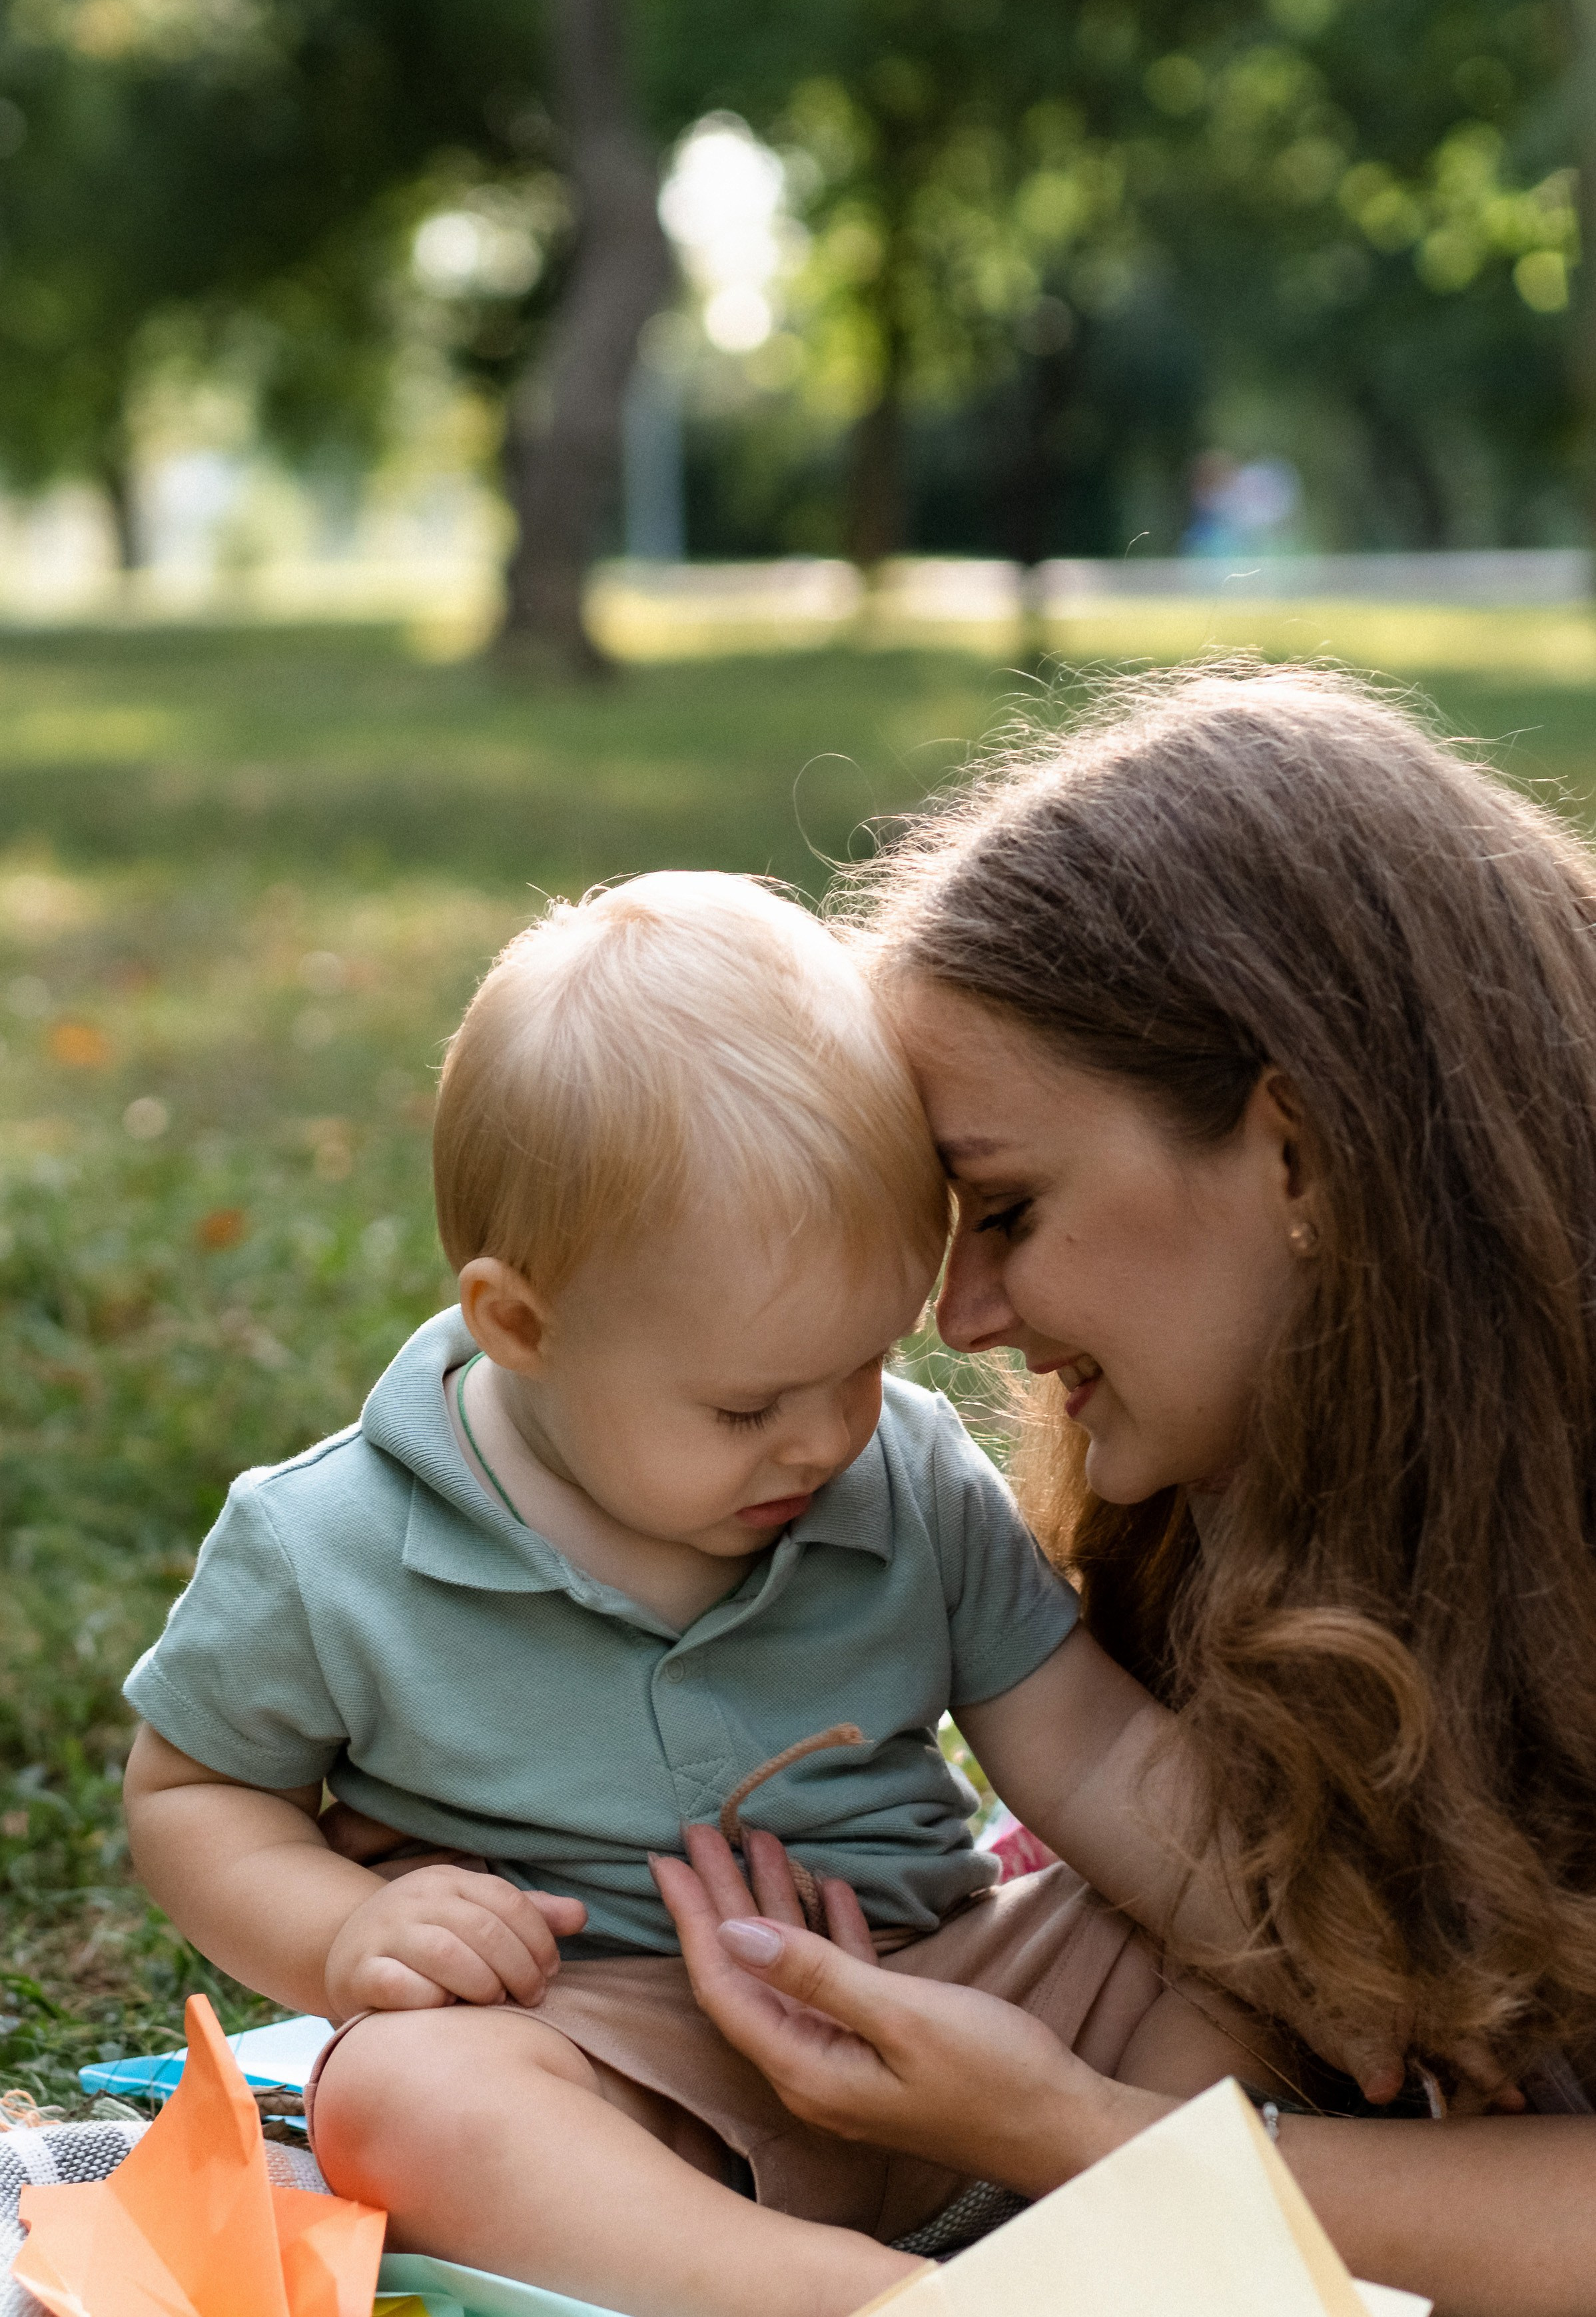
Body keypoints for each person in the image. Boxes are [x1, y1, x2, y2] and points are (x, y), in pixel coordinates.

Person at [120, 871, 1284, 2317]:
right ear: (520, 1323)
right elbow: (191, 1795)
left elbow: (1092, 1748)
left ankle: (1113, 2243)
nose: (823, 1436)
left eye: (863, 1364)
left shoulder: (902, 1475)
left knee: (1217, 1944)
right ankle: (814, 2290)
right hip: (614, 2043)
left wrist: (1292, 1930)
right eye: (747, 1408)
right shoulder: (330, 1544)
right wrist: (337, 1933)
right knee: (402, 2094)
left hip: (951, 1991)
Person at [656, 662, 1596, 2317]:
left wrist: (1070, 2129)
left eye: (1004, 1209)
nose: (964, 1321)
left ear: (1294, 1153)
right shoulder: (1252, 1514)